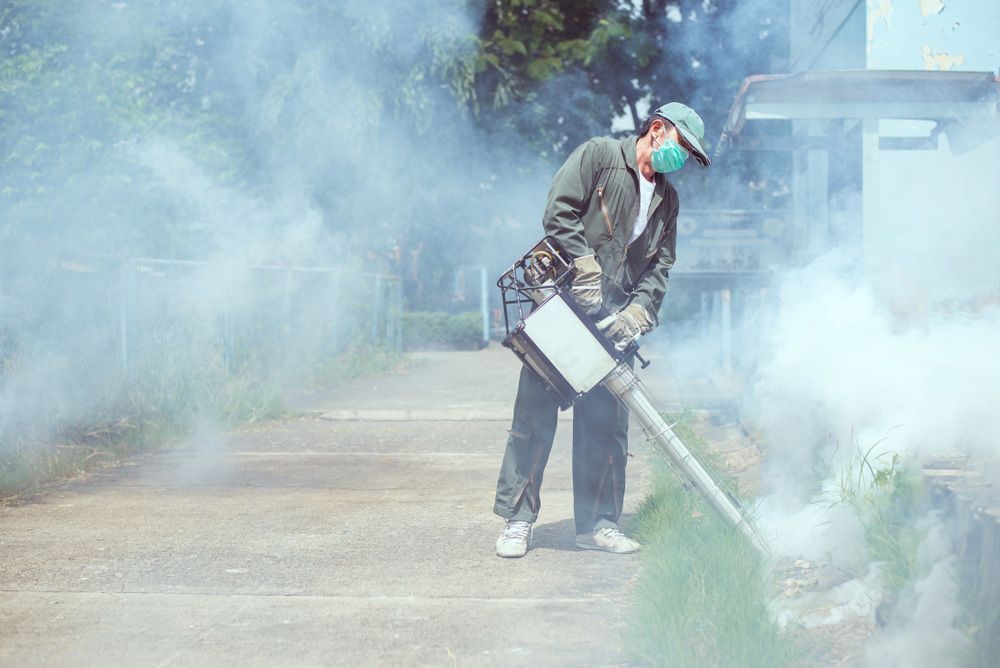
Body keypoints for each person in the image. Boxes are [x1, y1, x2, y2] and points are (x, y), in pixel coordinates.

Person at [493, 102, 711, 558]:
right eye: (683, 147)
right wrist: (584, 261)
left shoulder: (668, 201)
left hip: (612, 324)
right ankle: (518, 519)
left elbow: (660, 266)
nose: (683, 159)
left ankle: (597, 525)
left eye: (690, 155)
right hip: (563, 304)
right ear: (657, 130)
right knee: (535, 413)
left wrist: (638, 313)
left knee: (607, 425)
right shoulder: (600, 156)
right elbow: (558, 211)